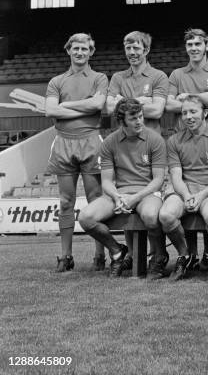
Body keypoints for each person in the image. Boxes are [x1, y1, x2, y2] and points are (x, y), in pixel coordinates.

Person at [78, 99, 167, 279]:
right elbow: (107, 182)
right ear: (122, 121)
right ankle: (117, 252)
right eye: (133, 118)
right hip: (120, 193)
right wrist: (117, 196)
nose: (139, 121)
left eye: (141, 116)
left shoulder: (155, 139)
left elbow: (158, 180)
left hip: (147, 192)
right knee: (85, 218)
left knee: (151, 216)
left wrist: (135, 198)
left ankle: (159, 256)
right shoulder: (109, 142)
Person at [106, 30, 169, 274]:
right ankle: (131, 255)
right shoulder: (117, 77)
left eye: (137, 48)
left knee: (150, 208)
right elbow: (110, 107)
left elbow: (156, 111)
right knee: (127, 202)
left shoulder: (158, 76)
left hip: (150, 144)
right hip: (124, 146)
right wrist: (143, 99)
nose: (132, 52)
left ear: (146, 50)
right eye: (128, 48)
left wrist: (125, 100)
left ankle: (157, 255)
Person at [45, 33, 108, 272]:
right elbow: (50, 111)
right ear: (68, 50)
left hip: (91, 141)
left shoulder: (99, 78)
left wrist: (66, 106)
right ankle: (66, 256)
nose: (80, 52)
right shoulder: (57, 81)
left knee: (95, 201)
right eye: (75, 48)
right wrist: (83, 106)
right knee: (65, 202)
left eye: (84, 48)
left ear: (91, 52)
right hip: (63, 142)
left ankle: (100, 255)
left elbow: (97, 105)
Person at [166, 28, 208, 271]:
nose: (193, 48)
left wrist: (186, 96)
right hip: (183, 139)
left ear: (207, 46)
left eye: (198, 44)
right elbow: (169, 103)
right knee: (180, 204)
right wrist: (200, 97)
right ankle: (189, 254)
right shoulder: (177, 73)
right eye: (189, 44)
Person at [158, 95, 208, 282]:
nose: (188, 116)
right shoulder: (174, 140)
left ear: (205, 113)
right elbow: (176, 175)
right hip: (184, 190)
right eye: (184, 113)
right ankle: (185, 256)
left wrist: (201, 195)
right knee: (166, 215)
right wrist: (187, 195)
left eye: (193, 112)